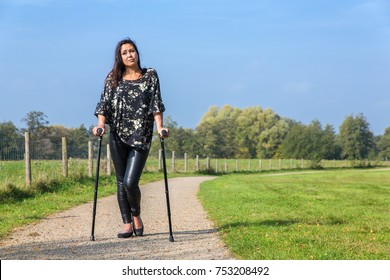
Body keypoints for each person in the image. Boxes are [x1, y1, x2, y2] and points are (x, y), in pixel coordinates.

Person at [93, 38, 168, 238]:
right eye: (125, 52)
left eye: (132, 51)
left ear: (137, 53)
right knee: (120, 181)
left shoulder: (150, 75)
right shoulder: (112, 78)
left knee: (129, 182)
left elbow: (156, 103)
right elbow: (104, 104)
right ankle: (127, 223)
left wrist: (160, 127)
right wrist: (101, 125)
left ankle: (136, 215)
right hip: (117, 135)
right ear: (120, 57)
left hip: (141, 136)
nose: (129, 55)